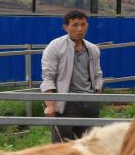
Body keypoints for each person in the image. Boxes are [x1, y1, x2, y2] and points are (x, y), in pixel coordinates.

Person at [41, 9, 104, 142]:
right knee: (62, 145)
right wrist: (50, 105)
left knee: (90, 144)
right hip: (66, 103)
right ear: (66, 27)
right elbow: (48, 76)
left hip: (89, 104)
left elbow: (98, 74)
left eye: (83, 24)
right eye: (75, 25)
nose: (80, 29)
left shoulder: (93, 49)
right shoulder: (55, 47)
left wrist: (96, 95)